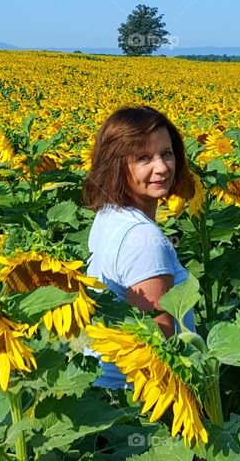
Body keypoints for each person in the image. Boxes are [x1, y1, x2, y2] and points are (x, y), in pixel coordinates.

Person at [83, 105, 197, 390]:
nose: (161, 167)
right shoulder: (143, 240)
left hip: (104, 394)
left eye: (166, 154)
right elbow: (161, 350)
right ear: (117, 163)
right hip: (139, 404)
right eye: (143, 158)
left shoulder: (109, 214)